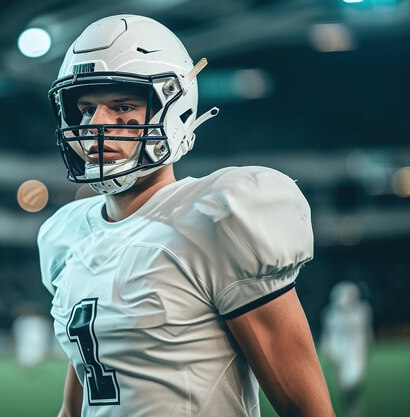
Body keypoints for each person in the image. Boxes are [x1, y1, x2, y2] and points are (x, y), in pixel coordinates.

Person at [38, 14, 335, 417]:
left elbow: (306, 408)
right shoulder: (67, 237)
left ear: (174, 106)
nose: (96, 125)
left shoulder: (217, 218)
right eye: (87, 109)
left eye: (122, 105)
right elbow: (81, 399)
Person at [320, 281, 373, 417]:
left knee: (353, 381)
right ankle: (349, 407)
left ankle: (355, 407)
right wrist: (326, 350)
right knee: (343, 386)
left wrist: (368, 345)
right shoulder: (331, 314)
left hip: (356, 352)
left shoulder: (362, 311)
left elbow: (366, 331)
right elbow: (327, 334)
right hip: (338, 351)